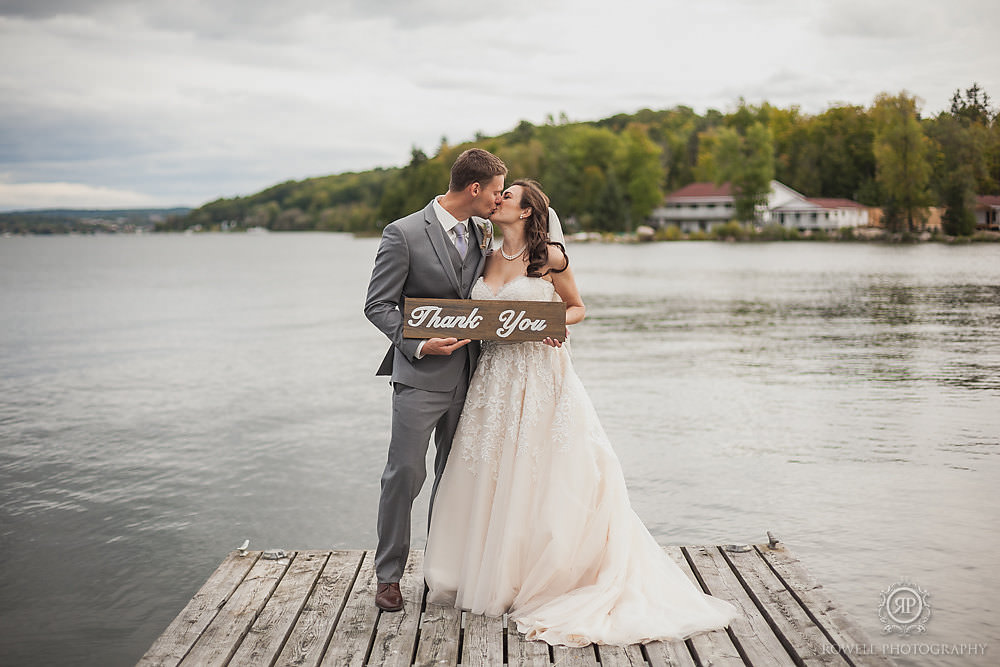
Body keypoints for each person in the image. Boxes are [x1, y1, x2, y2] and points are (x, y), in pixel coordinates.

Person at [423, 179, 739, 646]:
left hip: (540, 372)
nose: (498, 200)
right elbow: (480, 317)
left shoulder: (550, 257)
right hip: (493, 380)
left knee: (544, 470)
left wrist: (553, 325)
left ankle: (549, 573)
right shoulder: (485, 256)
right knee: (491, 471)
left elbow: (577, 308)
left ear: (528, 211)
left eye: (507, 196)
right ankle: (495, 570)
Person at [364, 148, 507, 612]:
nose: (498, 199)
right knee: (404, 475)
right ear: (474, 189)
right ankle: (389, 576)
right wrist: (420, 345)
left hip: (473, 378)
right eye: (495, 190)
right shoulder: (402, 233)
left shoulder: (484, 232)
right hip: (420, 377)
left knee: (454, 479)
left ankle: (443, 572)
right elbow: (378, 305)